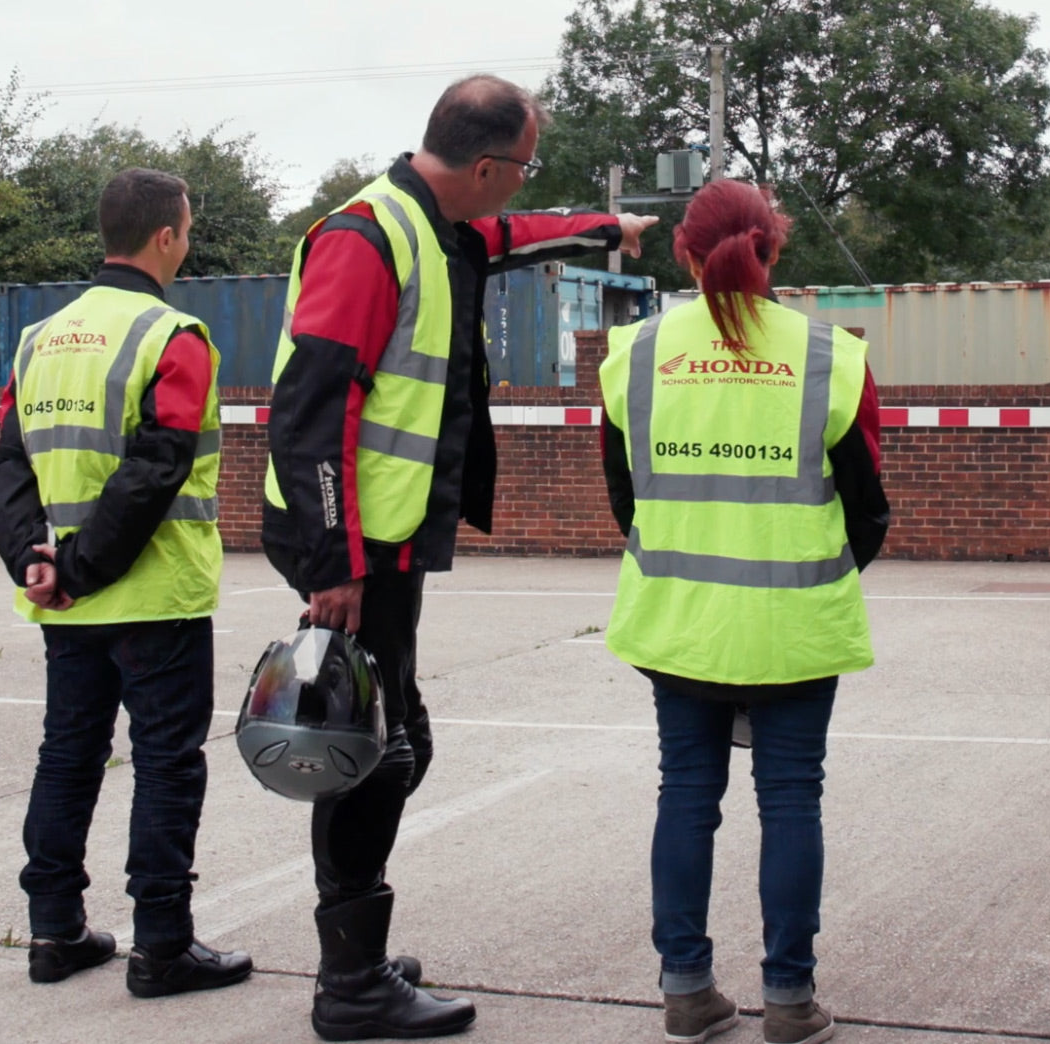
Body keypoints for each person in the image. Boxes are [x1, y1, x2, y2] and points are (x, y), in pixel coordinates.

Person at [260, 74, 657, 1040]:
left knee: (388, 745)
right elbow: (310, 414)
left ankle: (352, 954)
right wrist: (332, 563)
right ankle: (350, 987)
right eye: (521, 171)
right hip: (353, 543)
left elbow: (511, 241)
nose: (523, 189)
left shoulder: (437, 226)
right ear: (484, 165)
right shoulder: (366, 240)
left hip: (378, 538)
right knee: (372, 751)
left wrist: (606, 227)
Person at [597, 179, 889, 1044]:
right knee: (791, 801)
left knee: (685, 793)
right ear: (773, 249)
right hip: (796, 626)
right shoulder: (832, 356)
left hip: (679, 620)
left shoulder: (634, 354)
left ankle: (686, 990)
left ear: (684, 253)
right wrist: (817, 571)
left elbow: (627, 497)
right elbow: (868, 506)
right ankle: (790, 1003)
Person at [0, 167, 253, 998]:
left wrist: (40, 562)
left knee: (68, 757)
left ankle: (54, 931)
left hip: (63, 604)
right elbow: (157, 466)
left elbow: (4, 472)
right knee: (167, 766)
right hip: (155, 595)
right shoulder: (175, 336)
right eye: (189, 226)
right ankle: (162, 943)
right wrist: (83, 567)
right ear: (167, 235)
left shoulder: (37, 340)